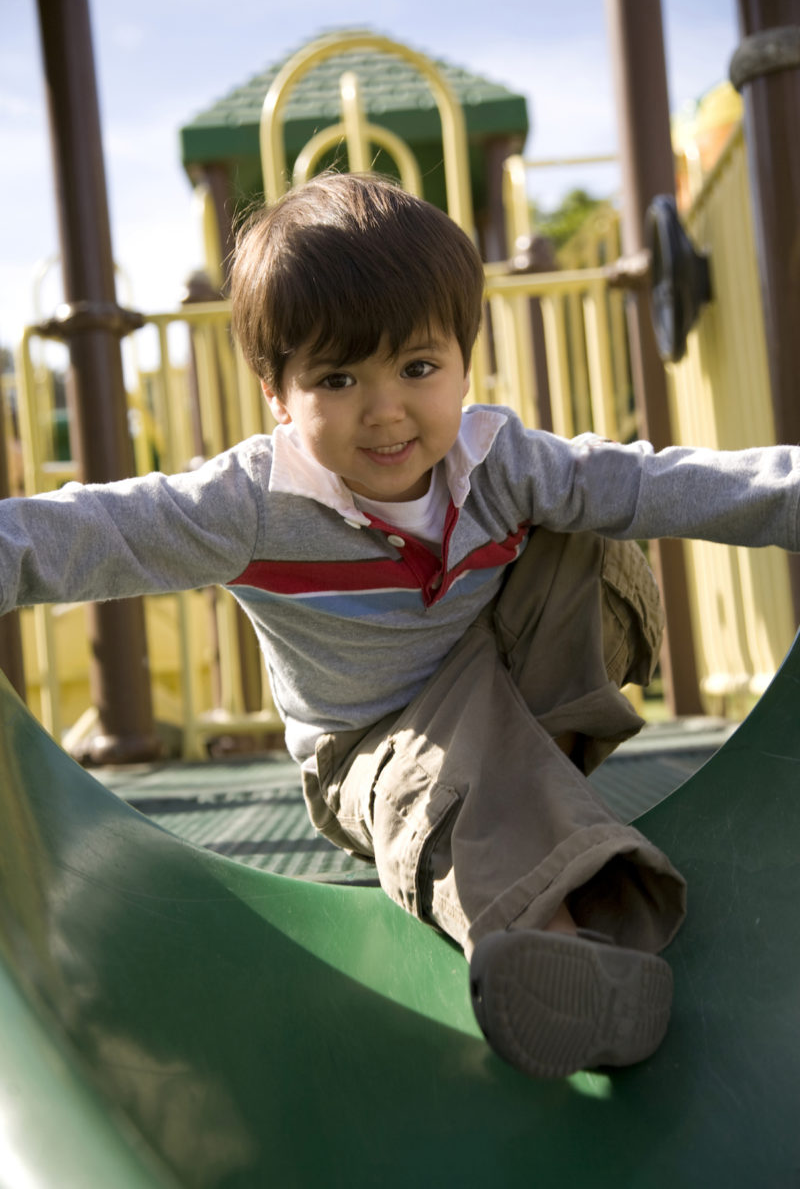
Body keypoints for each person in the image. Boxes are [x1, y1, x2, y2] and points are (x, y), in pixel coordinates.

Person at [2, 172, 799, 1079]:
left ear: (464, 360)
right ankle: (572, 952)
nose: (385, 410)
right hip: (373, 748)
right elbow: (92, 528)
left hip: (517, 683)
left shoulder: (498, 459)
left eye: (419, 368)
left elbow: (658, 480)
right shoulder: (253, 504)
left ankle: (540, 877)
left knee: (590, 519)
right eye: (337, 378)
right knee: (446, 774)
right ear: (276, 392)